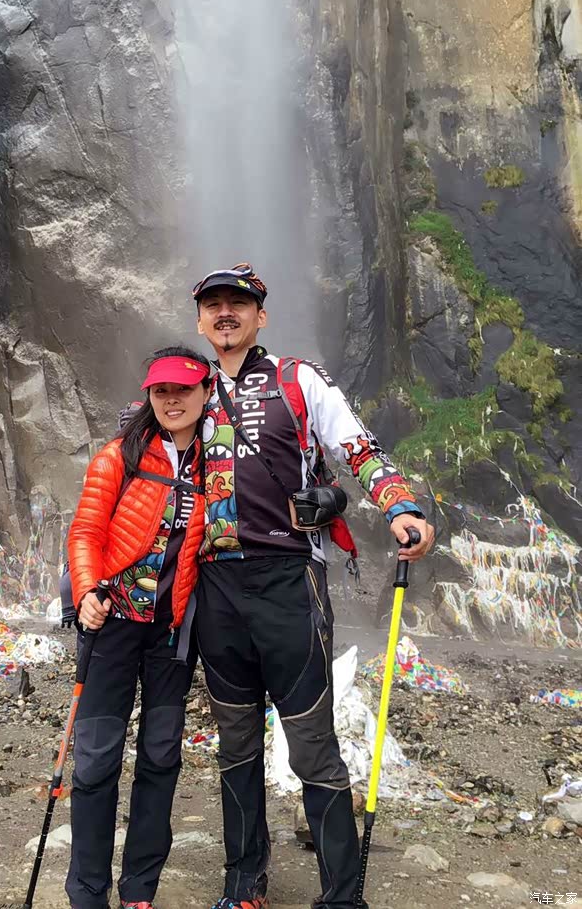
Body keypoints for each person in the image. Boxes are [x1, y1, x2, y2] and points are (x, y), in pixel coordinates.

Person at [191, 264, 435, 909]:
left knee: (311, 742)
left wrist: (400, 507)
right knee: (235, 742)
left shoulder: (298, 379)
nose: (225, 313)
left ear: (260, 315)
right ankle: (244, 886)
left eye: (238, 303)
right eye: (213, 305)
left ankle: (341, 896)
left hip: (289, 578)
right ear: (200, 319)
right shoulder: (187, 388)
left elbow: (360, 448)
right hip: (216, 584)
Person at [65, 346, 212, 909]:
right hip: (111, 626)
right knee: (96, 759)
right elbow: (86, 531)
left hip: (172, 632)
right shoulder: (118, 456)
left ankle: (139, 892)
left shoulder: (217, 465)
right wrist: (86, 592)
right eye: (161, 391)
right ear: (149, 395)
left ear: (205, 392)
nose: (172, 400)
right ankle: (88, 894)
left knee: (161, 755)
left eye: (183, 389)